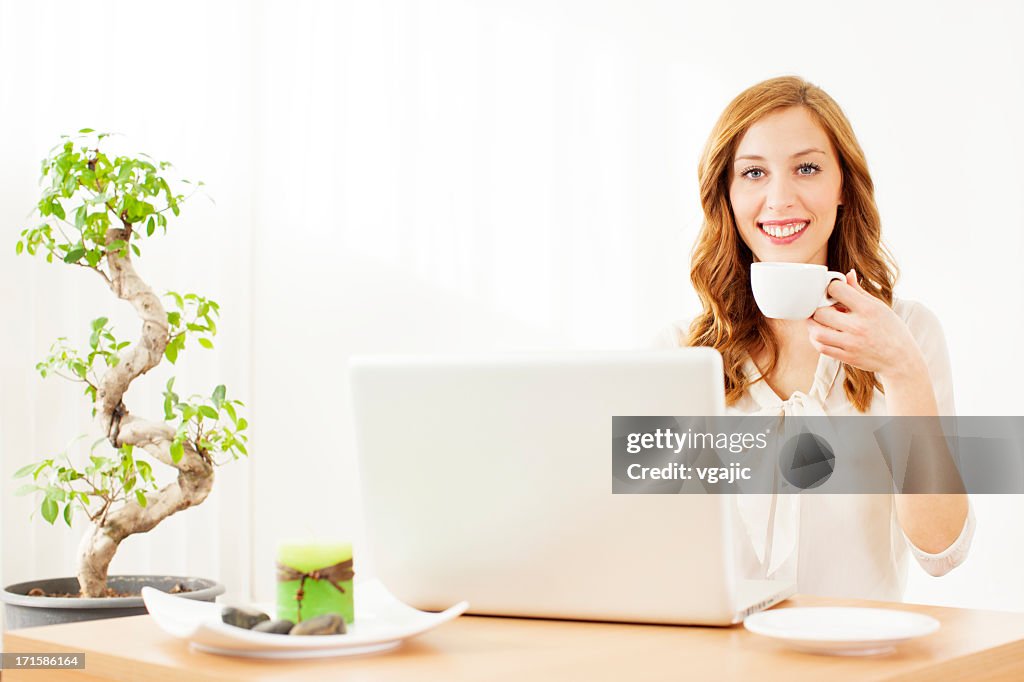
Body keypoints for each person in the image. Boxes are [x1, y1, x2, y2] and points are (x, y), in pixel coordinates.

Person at [657, 76, 973, 601]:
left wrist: (901, 370)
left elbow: (942, 550)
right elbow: (643, 548)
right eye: (754, 173)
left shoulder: (910, 333)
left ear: (842, 185)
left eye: (807, 168)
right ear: (727, 195)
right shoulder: (679, 355)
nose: (779, 199)